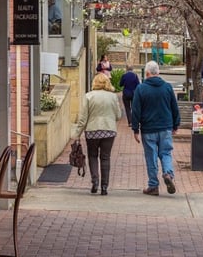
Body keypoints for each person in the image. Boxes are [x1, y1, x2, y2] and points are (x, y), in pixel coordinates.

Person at [130, 60, 181, 196]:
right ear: (158, 72)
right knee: (166, 153)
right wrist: (176, 124)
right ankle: (168, 174)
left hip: (148, 129)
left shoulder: (141, 89)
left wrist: (135, 129)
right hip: (165, 127)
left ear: (147, 73)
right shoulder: (167, 87)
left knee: (151, 156)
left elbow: (135, 110)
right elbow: (174, 107)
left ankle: (153, 185)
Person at [73, 72, 123, 196]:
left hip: (92, 130)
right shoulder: (113, 97)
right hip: (109, 130)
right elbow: (118, 116)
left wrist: (76, 134)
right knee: (105, 157)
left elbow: (83, 118)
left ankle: (95, 181)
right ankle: (104, 187)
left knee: (93, 156)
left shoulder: (89, 96)